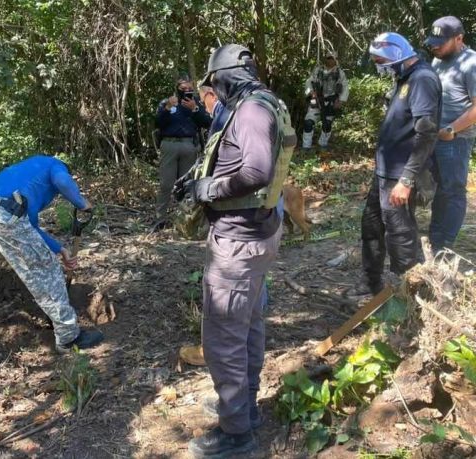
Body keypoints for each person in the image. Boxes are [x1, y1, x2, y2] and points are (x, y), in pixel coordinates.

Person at [184, 44, 286, 458]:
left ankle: (236, 435)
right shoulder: (263, 102)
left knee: (224, 335)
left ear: (225, 76)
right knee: (248, 324)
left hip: (240, 239)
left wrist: (211, 188)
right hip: (254, 233)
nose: (214, 91)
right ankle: (243, 407)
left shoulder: (250, 110)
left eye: (215, 83)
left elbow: (257, 169)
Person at [0, 155, 104, 353]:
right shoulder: (55, 165)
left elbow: (28, 228)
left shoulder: (23, 175)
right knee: (47, 271)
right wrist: (82, 203)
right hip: (3, 214)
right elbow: (62, 181)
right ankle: (69, 337)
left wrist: (59, 249)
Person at [363, 33, 441, 294]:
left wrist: (406, 180)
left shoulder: (422, 79)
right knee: (372, 227)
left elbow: (427, 132)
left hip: (401, 175)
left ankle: (408, 296)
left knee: (400, 236)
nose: (379, 66)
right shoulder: (404, 78)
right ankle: (372, 286)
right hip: (385, 173)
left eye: (380, 60)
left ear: (396, 55)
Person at [426, 16, 476, 253]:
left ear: (459, 38)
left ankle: (446, 245)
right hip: (434, 137)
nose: (434, 46)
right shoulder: (439, 60)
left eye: (440, 42)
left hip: (455, 140)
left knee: (453, 190)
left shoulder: (471, 62)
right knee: (437, 190)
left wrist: (451, 129)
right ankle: (435, 239)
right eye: (433, 41)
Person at [154, 77, 212, 228]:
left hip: (189, 146)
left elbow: (207, 122)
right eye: (183, 88)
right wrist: (167, 108)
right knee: (166, 184)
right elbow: (158, 123)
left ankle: (185, 220)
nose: (186, 91)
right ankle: (160, 219)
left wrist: (195, 109)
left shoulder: (196, 104)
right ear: (177, 88)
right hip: (169, 145)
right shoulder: (167, 103)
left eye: (189, 88)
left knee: (186, 185)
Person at [302, 51, 349, 149]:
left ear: (336, 60)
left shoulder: (340, 73)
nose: (331, 60)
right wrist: (311, 92)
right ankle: (306, 147)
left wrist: (340, 101)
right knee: (308, 123)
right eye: (329, 58)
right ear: (326, 59)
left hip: (330, 101)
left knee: (327, 125)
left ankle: (323, 145)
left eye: (333, 58)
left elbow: (345, 87)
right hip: (316, 99)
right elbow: (308, 82)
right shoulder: (318, 70)